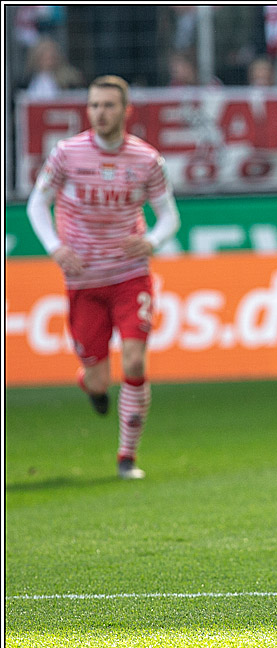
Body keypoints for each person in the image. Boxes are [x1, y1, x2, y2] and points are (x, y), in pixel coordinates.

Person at [26, 75, 181, 481]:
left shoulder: (147, 160)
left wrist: (151, 240)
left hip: (130, 276)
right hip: (84, 281)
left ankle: (127, 458)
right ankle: (92, 386)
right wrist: (55, 247)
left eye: (109, 105)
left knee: (133, 359)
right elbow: (36, 204)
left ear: (126, 111)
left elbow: (170, 217)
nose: (100, 113)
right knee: (97, 377)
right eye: (94, 105)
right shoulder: (66, 154)